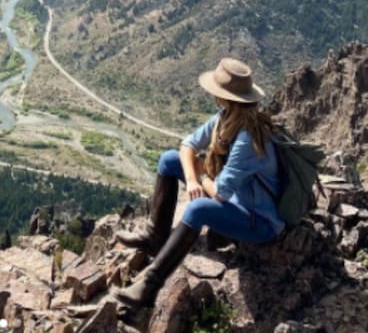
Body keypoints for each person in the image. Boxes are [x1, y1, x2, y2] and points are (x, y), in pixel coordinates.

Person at [116, 58, 283, 313]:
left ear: (225, 98)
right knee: (169, 160)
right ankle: (155, 237)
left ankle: (149, 286)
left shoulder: (248, 138)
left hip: (258, 221)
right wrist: (193, 179)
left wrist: (202, 177)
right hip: (234, 202)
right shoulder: (226, 118)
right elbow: (188, 145)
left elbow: (221, 193)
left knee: (197, 209)